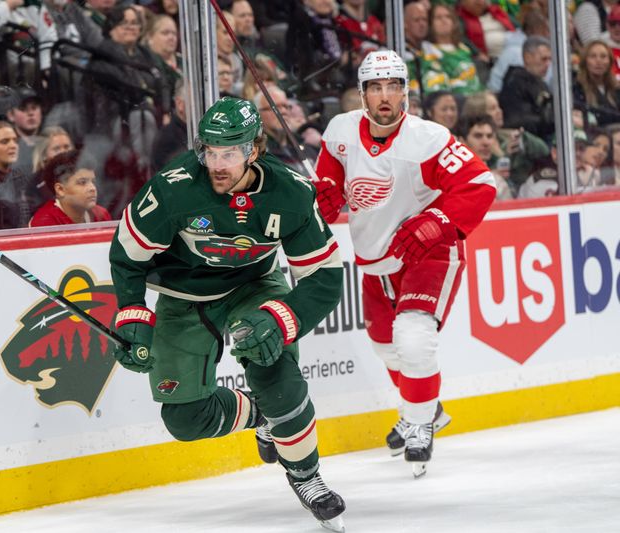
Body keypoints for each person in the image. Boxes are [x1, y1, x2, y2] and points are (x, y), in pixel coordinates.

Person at [108, 96, 346, 531]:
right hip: (182, 297)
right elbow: (127, 257)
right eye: (210, 152)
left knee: (274, 367)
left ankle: (307, 477)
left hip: (253, 286)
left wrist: (279, 318)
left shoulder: (290, 192)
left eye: (230, 153)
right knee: (185, 419)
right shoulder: (173, 188)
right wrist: (132, 313)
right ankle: (263, 416)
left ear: (253, 150)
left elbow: (326, 277)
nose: (217, 164)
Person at [313, 51, 496, 477]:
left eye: (393, 86)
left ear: (406, 93)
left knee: (413, 338)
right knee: (384, 344)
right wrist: (323, 192)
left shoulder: (426, 139)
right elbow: (329, 176)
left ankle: (417, 424)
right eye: (375, 87)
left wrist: (438, 222)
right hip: (378, 257)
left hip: (428, 250)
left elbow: (479, 184)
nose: (384, 96)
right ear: (361, 94)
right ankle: (427, 408)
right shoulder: (341, 131)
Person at [29, 150, 110, 227]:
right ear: (60, 189)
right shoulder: (44, 222)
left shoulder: (102, 215)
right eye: (82, 182)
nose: (92, 188)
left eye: (93, 181)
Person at [499, 36, 554, 140]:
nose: (547, 64)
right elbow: (519, 121)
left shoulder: (541, 84)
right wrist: (551, 120)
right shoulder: (514, 83)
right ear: (527, 57)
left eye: (549, 59)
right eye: (543, 59)